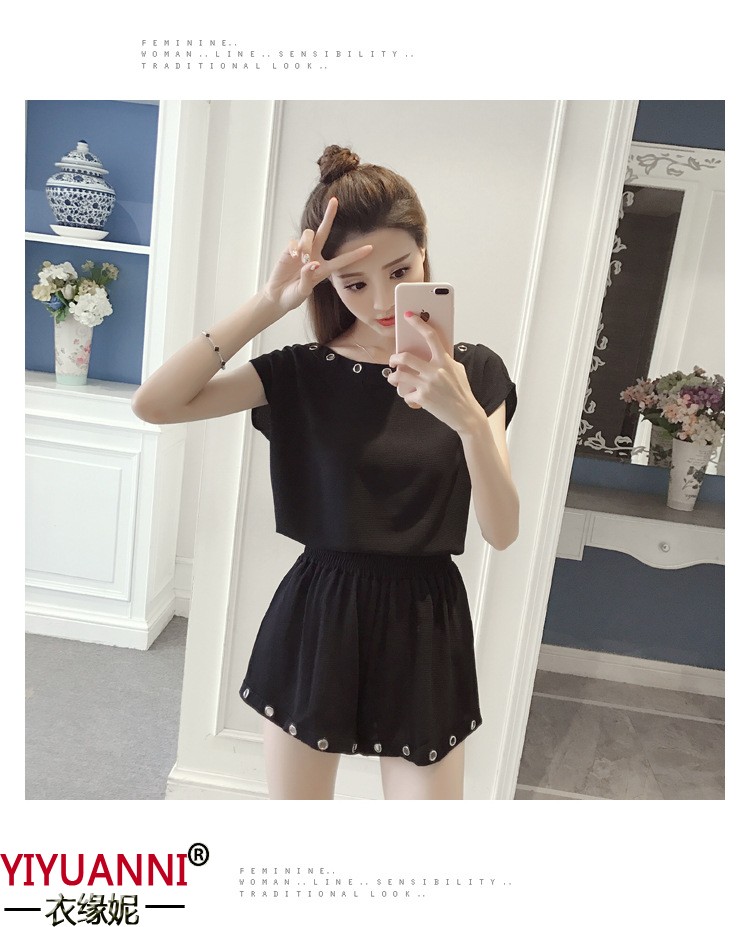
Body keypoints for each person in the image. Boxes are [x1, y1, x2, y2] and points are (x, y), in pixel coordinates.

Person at [132, 144, 519, 800]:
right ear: (329, 285)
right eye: (355, 283)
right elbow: (156, 404)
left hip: (425, 623)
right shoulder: (302, 372)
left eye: (400, 270)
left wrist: (469, 421)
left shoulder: (475, 373)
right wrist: (270, 301)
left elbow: (502, 531)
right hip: (320, 615)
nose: (383, 299)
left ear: (424, 253)